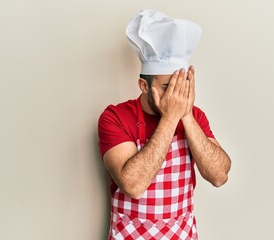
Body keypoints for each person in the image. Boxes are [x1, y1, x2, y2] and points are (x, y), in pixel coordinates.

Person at [98, 9, 231, 240]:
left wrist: (186, 116)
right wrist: (170, 118)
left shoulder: (194, 116)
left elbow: (219, 176)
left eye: (183, 85)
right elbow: (133, 185)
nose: (177, 95)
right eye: (169, 87)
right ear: (144, 86)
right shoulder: (115, 117)